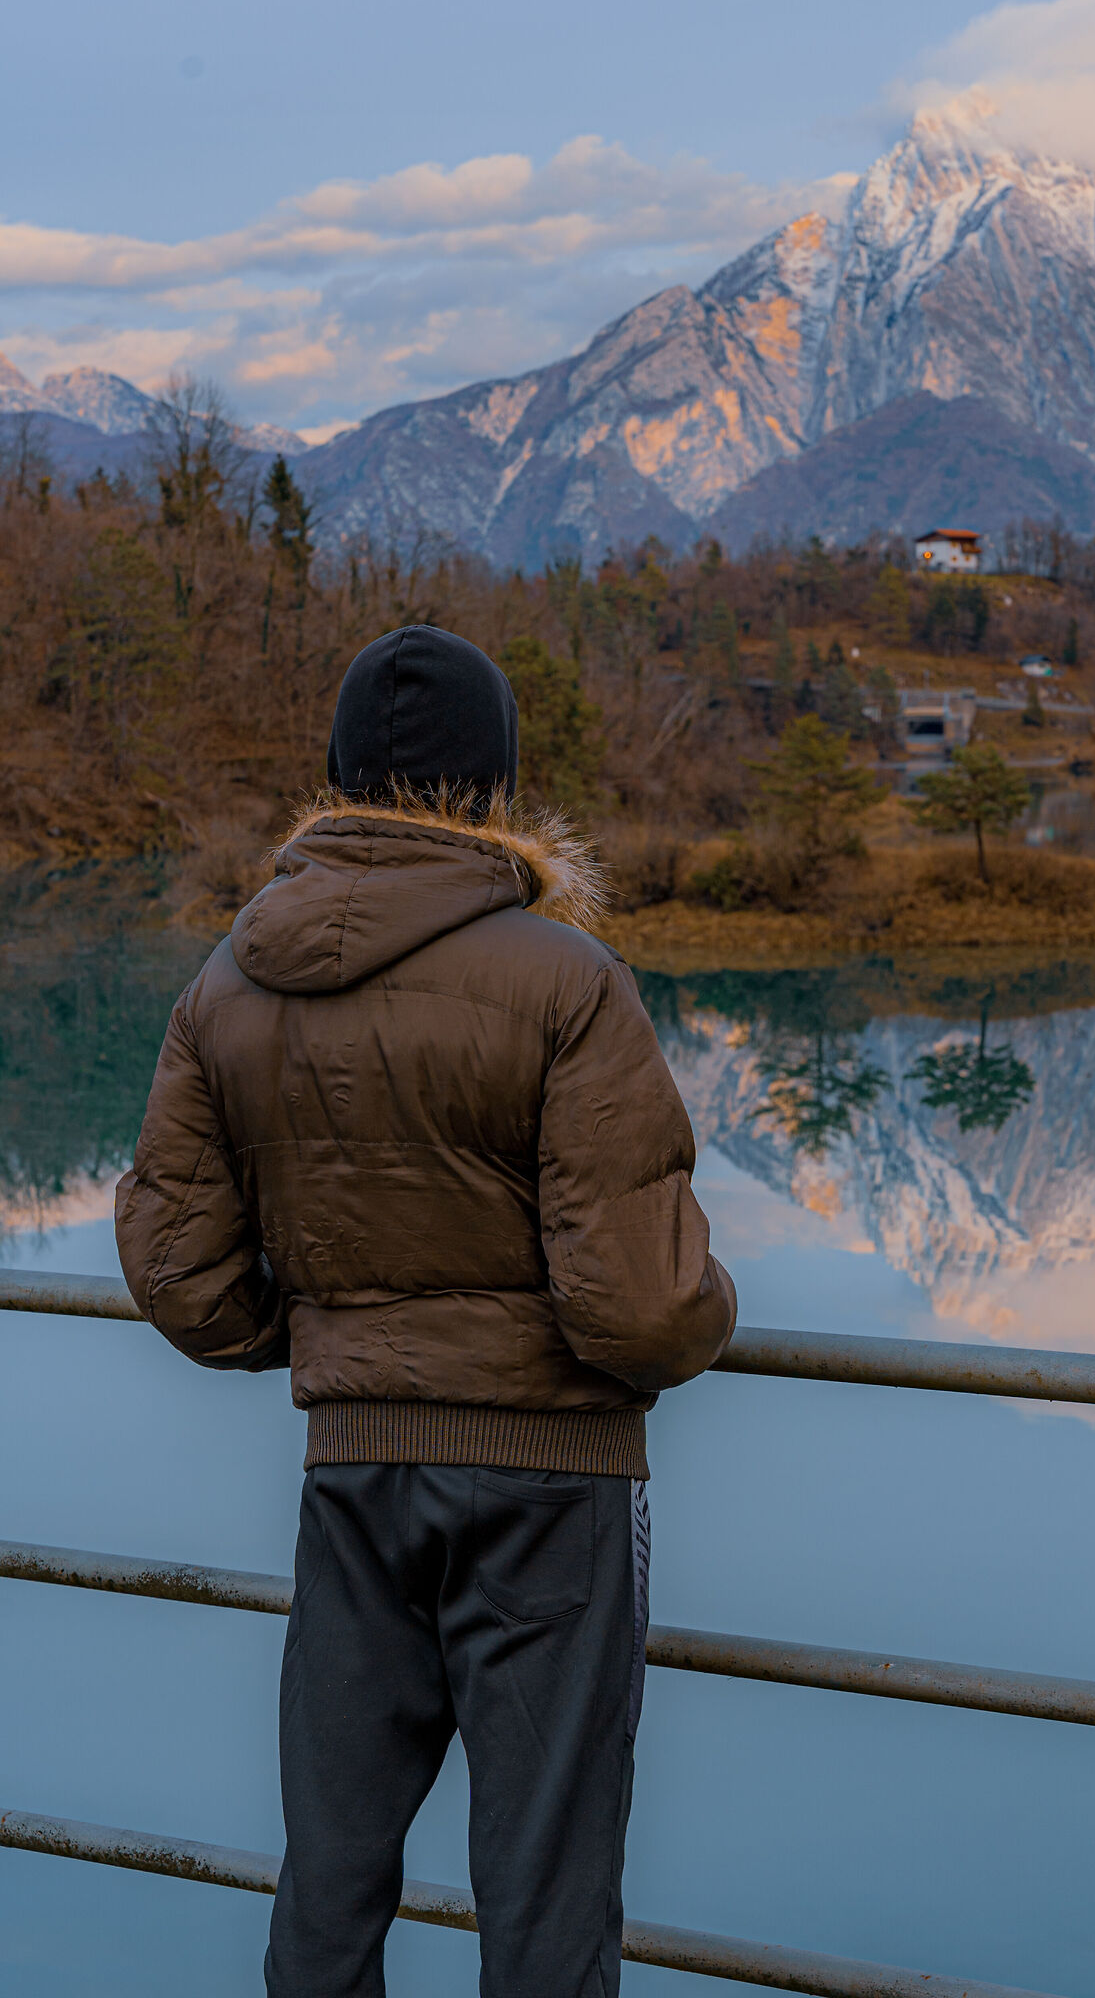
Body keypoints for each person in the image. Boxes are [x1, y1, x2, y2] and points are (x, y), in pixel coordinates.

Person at [115, 623, 737, 1998]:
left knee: (331, 1870)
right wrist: (713, 1305)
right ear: (495, 790)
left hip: (354, 1473)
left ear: (336, 778)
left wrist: (332, 1336)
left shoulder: (228, 982)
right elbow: (639, 1308)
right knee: (544, 1883)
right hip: (548, 1490)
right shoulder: (567, 983)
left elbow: (181, 1270)